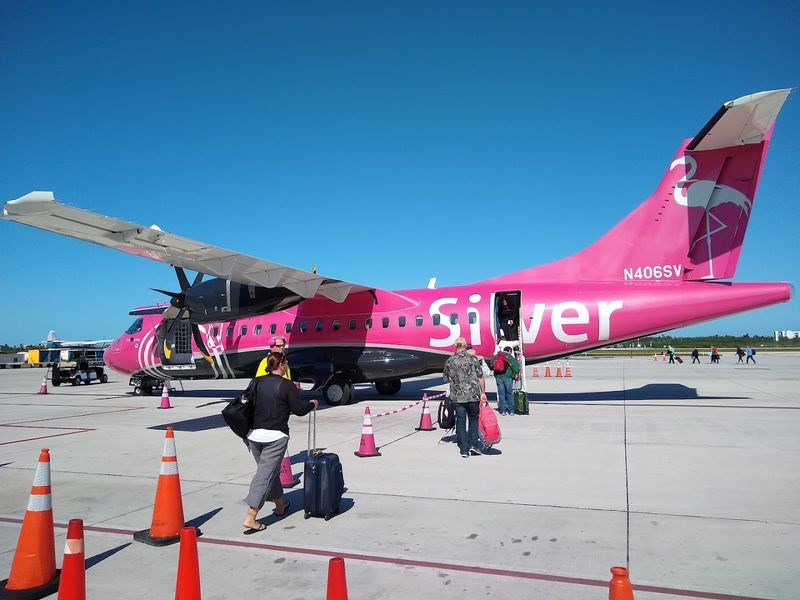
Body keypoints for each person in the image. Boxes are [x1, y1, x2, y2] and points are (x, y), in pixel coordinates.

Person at [242, 352, 318, 534]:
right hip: (274, 437)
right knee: (263, 475)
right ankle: (251, 516)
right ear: (281, 364)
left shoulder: (256, 382)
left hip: (253, 436)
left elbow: (246, 403)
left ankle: (280, 505)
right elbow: (298, 410)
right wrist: (312, 404)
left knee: (269, 471)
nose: (287, 366)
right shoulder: (286, 385)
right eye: (286, 363)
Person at [442, 337, 486, 458]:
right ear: (465, 346)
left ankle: (464, 450)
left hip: (458, 396)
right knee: (473, 420)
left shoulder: (449, 361)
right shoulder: (472, 359)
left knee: (460, 422)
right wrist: (483, 393)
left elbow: (446, 378)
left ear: (455, 346)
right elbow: (480, 376)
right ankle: (474, 446)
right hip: (473, 395)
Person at [494, 346, 520, 415]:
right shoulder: (509, 356)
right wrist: (516, 374)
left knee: (501, 394)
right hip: (507, 377)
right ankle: (511, 410)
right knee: (509, 393)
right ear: (509, 351)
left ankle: (503, 411)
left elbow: (491, 364)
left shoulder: (497, 356)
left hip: (498, 377)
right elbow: (516, 367)